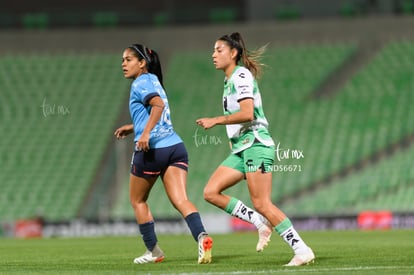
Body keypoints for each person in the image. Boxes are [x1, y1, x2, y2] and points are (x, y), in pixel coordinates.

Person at [196, 32, 315, 266]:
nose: (213, 55)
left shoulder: (240, 75)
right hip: (242, 149)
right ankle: (259, 221)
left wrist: (216, 120)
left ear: (233, 53)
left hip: (257, 145)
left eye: (219, 50)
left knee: (262, 202)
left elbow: (247, 113)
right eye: (213, 50)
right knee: (211, 192)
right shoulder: (229, 80)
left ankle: (302, 249)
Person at [114, 44, 213, 264]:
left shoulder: (140, 83)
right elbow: (157, 110)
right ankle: (202, 236)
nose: (123, 64)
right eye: (122, 59)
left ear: (142, 63)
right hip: (175, 147)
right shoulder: (154, 81)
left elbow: (157, 105)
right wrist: (134, 127)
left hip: (152, 150)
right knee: (181, 199)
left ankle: (154, 252)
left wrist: (145, 134)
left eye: (128, 59)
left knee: (138, 200)